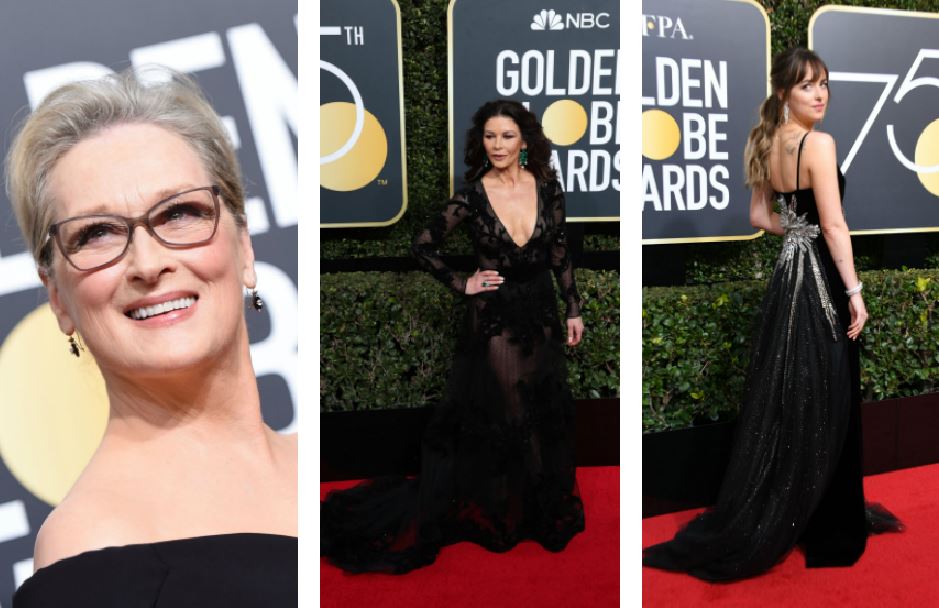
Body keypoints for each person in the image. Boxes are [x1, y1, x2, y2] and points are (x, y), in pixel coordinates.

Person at [7, 69, 297, 606]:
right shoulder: (85, 558)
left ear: (244, 248)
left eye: (180, 212)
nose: (148, 262)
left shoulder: (324, 471)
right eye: (96, 234)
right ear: (56, 297)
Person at [642, 47, 901, 581]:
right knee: (828, 397)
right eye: (807, 86)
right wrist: (854, 291)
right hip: (824, 284)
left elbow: (760, 215)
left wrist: (796, 233)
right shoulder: (818, 144)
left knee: (791, 396)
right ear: (785, 92)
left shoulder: (765, 140)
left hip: (787, 280)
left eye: (825, 83)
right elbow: (833, 228)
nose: (821, 94)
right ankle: (825, 518)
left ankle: (791, 506)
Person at [321, 99, 586, 573]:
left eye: (507, 136)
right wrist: (463, 283)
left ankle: (541, 512)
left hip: (541, 309)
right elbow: (422, 246)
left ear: (524, 140)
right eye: (489, 136)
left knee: (543, 411)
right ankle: (504, 516)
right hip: (495, 317)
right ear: (480, 142)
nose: (498, 145)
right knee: (508, 414)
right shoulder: (471, 195)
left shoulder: (548, 187)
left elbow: (560, 251)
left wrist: (573, 308)